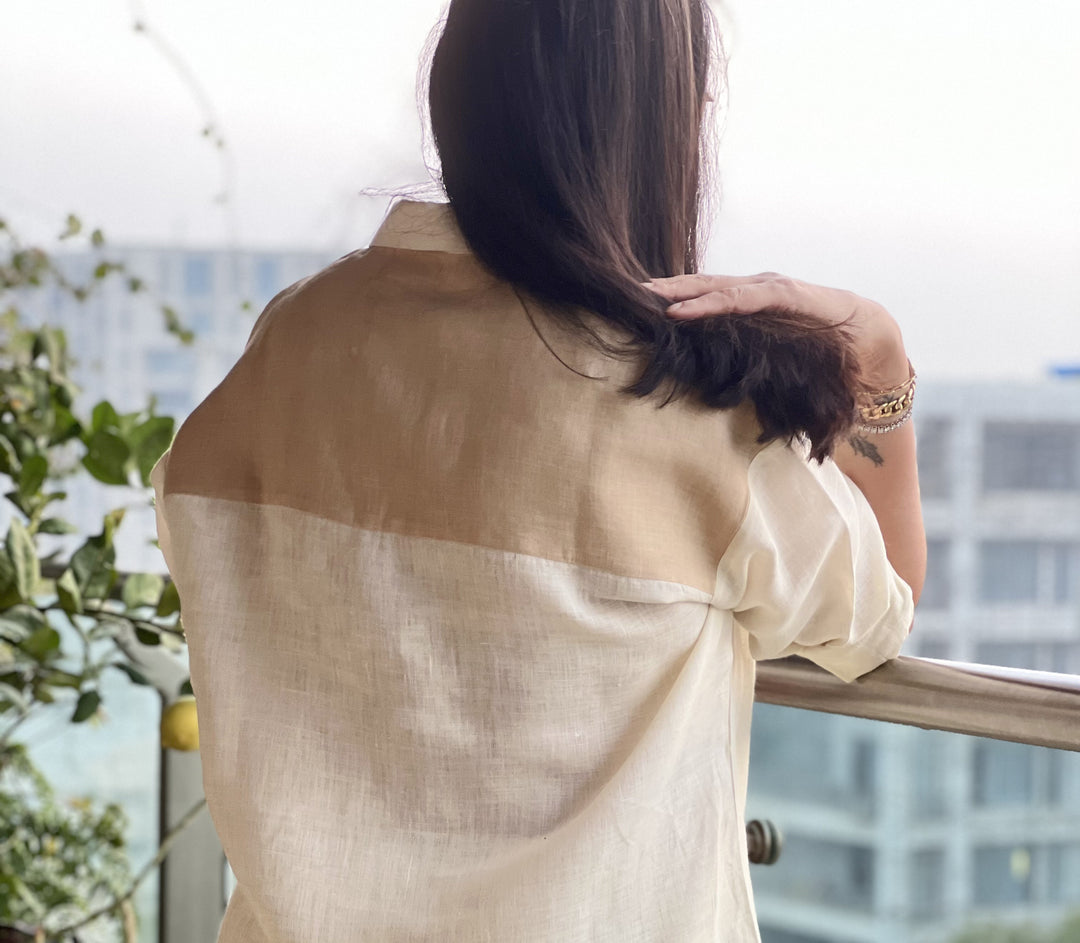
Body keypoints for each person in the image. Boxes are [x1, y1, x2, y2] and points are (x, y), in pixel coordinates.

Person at [150, 0, 925, 940]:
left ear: (462, 86)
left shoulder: (298, 341)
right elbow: (880, 617)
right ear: (664, 118)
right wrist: (877, 357)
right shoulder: (680, 409)